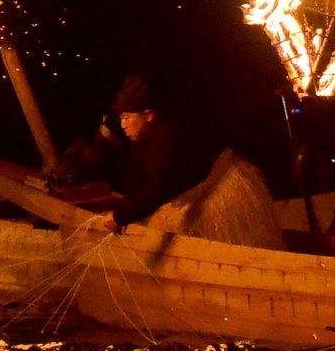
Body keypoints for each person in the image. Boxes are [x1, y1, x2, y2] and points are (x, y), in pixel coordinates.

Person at [104, 73, 281, 248]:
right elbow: (135, 179)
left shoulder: (168, 138)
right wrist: (124, 212)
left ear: (148, 115)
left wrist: (122, 216)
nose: (123, 125)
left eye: (127, 118)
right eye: (121, 118)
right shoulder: (140, 136)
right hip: (188, 194)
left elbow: (160, 186)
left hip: (214, 189)